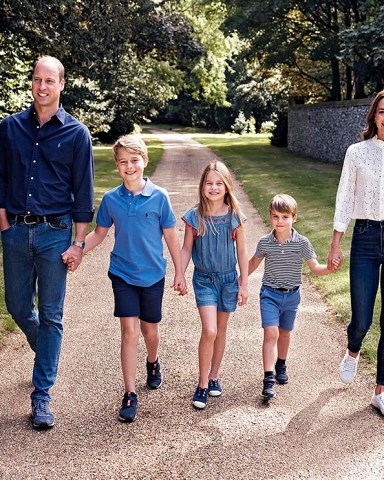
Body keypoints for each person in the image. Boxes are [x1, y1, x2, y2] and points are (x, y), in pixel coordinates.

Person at [0, 56, 94, 429]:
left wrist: (79, 243)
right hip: (17, 232)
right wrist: (3, 218)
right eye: (37, 79)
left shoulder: (76, 133)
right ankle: (48, 353)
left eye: (49, 81)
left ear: (61, 85)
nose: (42, 86)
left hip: (56, 233)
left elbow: (83, 191)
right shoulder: (8, 128)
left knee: (52, 314)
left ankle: (41, 397)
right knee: (18, 306)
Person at [68, 135, 186, 423]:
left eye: (134, 160)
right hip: (122, 273)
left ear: (144, 162)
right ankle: (130, 393)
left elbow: (171, 235)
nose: (129, 166)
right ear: (117, 165)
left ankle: (153, 361)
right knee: (129, 332)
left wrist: (180, 272)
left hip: (153, 275)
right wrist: (78, 249)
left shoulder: (160, 197)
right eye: (123, 162)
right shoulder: (110, 199)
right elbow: (99, 233)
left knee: (150, 331)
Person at [249, 194, 339, 399]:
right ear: (270, 217)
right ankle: (268, 378)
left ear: (294, 218)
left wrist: (329, 269)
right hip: (269, 294)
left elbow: (315, 268)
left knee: (285, 333)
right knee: (271, 333)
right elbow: (253, 263)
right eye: (275, 216)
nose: (280, 221)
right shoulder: (265, 242)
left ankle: (281, 364)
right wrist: (240, 282)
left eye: (284, 217)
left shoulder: (302, 243)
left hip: (292, 297)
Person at [328, 90, 384, 416]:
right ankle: (353, 349)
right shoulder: (357, 152)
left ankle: (380, 391)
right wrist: (336, 242)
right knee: (362, 319)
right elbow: (344, 199)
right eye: (381, 111)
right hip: (364, 237)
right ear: (373, 116)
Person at [180, 161, 248, 410]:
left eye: (219, 183)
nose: (214, 187)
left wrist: (243, 283)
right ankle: (201, 384)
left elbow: (242, 251)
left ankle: (214, 375)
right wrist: (180, 273)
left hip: (229, 280)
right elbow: (186, 248)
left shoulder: (234, 216)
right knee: (209, 330)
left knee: (220, 330)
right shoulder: (194, 216)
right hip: (204, 280)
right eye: (209, 183)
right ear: (202, 186)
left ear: (227, 187)